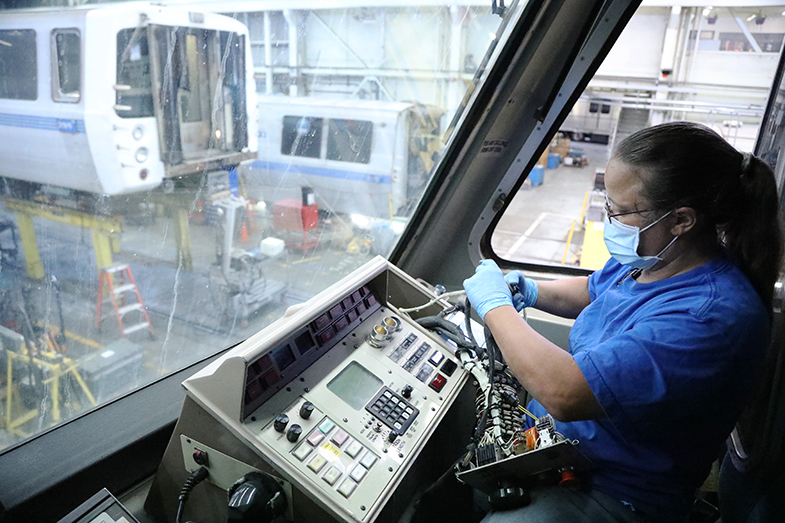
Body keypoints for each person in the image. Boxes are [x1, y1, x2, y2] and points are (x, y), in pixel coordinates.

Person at [463, 121, 783, 522]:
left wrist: (495, 307)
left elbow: (565, 392)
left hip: (615, 492)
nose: (609, 217)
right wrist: (529, 289)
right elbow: (593, 291)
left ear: (681, 219)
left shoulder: (710, 319)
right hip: (567, 452)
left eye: (620, 210)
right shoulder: (655, 259)